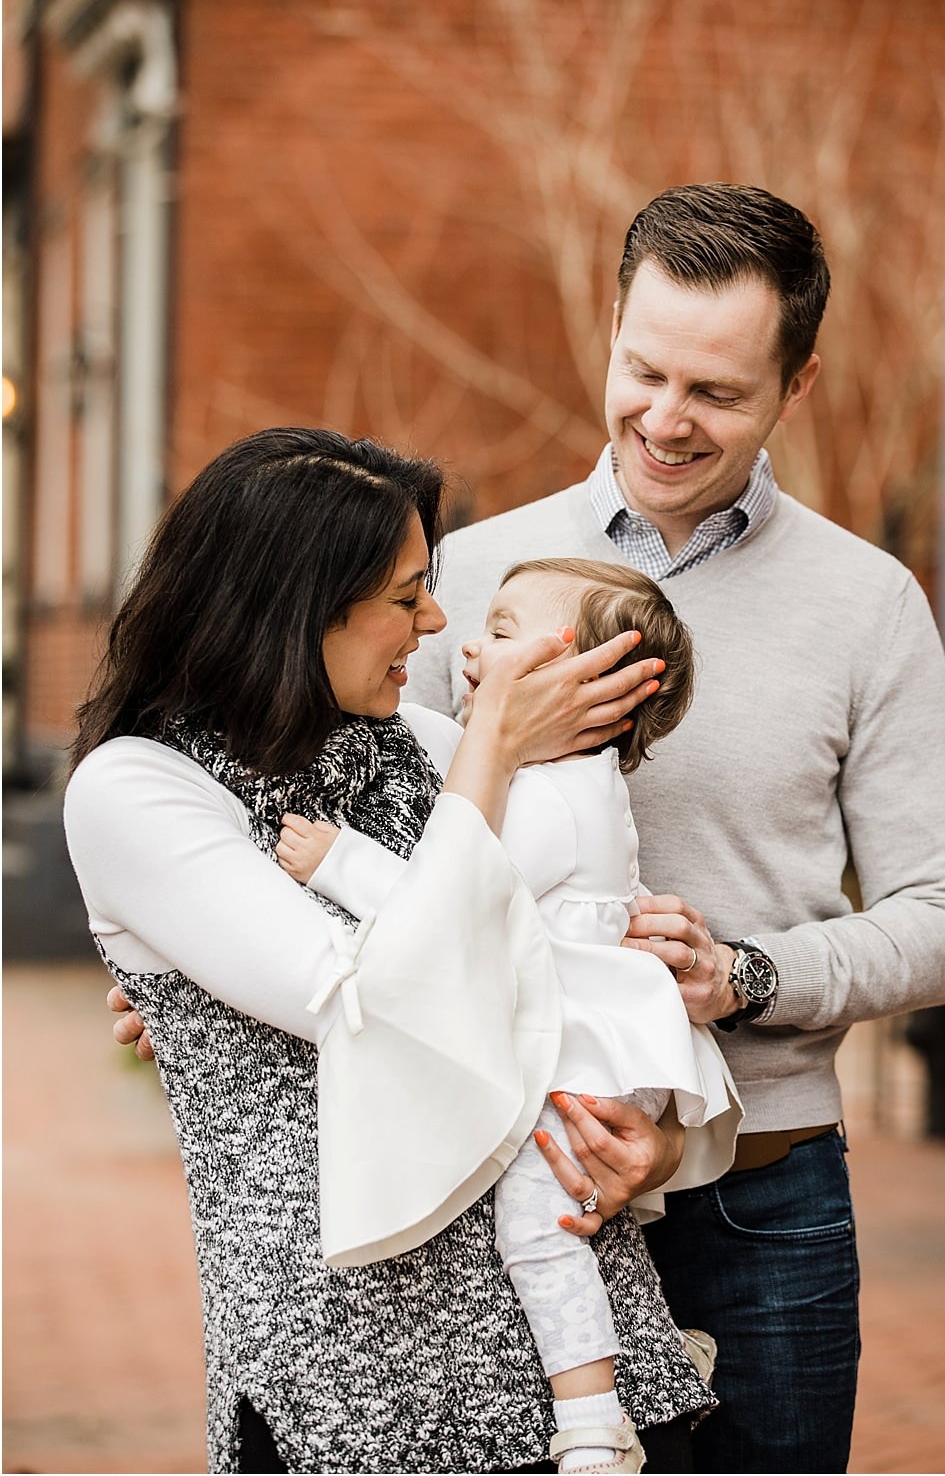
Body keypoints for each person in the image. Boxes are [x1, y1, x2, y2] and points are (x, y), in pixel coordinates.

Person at [401, 183, 945, 1471]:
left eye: (715, 392)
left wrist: (749, 976)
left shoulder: (866, 601)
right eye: (642, 369)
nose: (664, 419)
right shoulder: (465, 580)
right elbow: (387, 845)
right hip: (498, 1166)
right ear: (609, 330)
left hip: (761, 1192)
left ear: (797, 383)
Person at [68, 428, 713, 1473]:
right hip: (359, 1387)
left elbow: (553, 961)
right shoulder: (139, 789)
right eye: (408, 594)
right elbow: (373, 995)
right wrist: (497, 746)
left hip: (584, 1375)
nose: (436, 620)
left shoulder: (424, 739)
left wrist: (657, 1137)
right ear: (300, 604)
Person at [276, 556, 742, 1474]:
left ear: (590, 684)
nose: (466, 643)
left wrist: (339, 863)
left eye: (502, 628)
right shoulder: (569, 784)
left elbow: (459, 902)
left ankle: (594, 1421)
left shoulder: (556, 797)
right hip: (593, 1030)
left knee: (537, 1229)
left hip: (585, 1048)